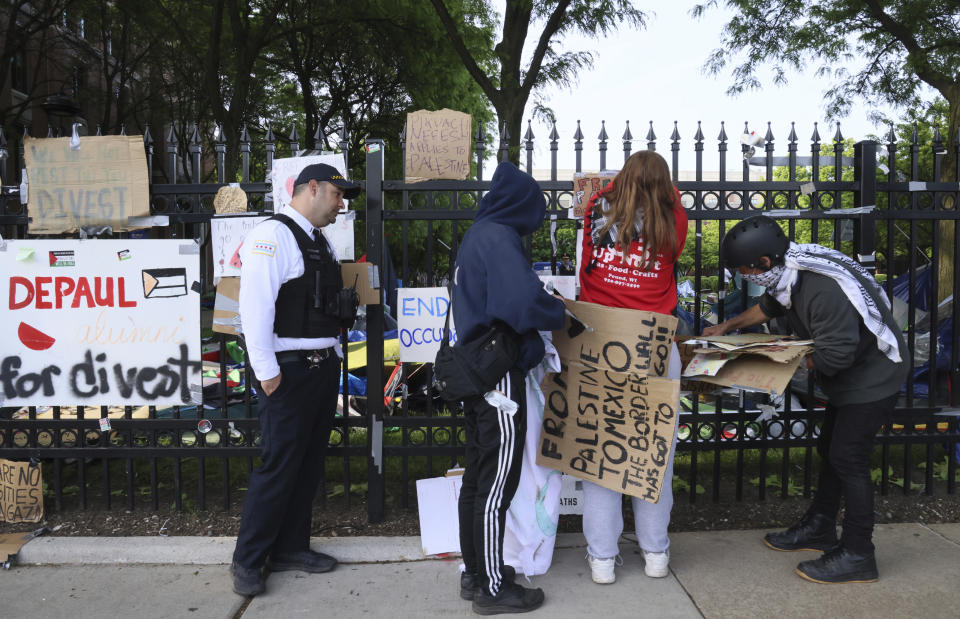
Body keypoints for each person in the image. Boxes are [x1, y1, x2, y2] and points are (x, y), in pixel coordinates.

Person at [703, 215, 909, 584]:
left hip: (874, 374)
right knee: (831, 447)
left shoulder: (819, 289)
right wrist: (728, 328)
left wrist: (769, 359)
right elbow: (771, 306)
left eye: (745, 270)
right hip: (854, 373)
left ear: (765, 263)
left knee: (848, 457)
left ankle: (859, 553)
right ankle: (820, 527)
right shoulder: (790, 270)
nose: (745, 276)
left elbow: (835, 355)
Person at [230, 163, 361, 597]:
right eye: (337, 195)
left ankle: (290, 548)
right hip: (289, 372)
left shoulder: (315, 239)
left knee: (307, 466)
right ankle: (248, 560)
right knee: (279, 467)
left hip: (321, 367)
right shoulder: (274, 236)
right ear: (313, 188)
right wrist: (267, 375)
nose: (341, 205)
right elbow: (254, 310)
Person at [452, 161, 566, 615]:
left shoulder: (477, 235)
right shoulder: (501, 237)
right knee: (497, 484)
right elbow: (521, 302)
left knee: (479, 479)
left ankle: (475, 572)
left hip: (474, 369)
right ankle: (493, 588)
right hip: (498, 375)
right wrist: (556, 312)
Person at [578, 150, 688, 583]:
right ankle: (655, 553)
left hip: (602, 341)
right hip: (656, 345)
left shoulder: (595, 211)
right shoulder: (670, 219)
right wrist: (658, 187)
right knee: (655, 455)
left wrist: (620, 186)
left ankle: (603, 559)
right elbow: (674, 200)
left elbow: (603, 193)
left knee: (599, 456)